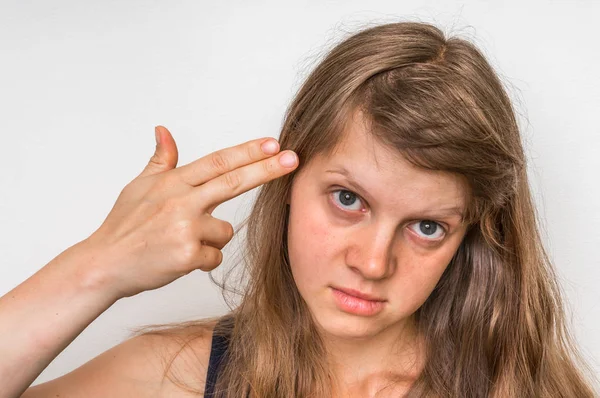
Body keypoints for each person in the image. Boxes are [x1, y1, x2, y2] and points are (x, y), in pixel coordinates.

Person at [1, 21, 597, 398]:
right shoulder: (176, 377)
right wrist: (98, 266)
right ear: (288, 179)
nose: (372, 262)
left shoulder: (533, 390)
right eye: (348, 200)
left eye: (426, 227)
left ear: (471, 236)